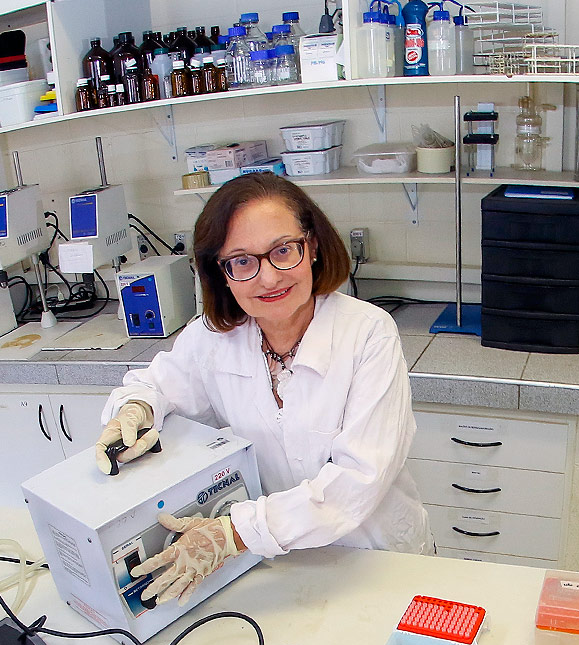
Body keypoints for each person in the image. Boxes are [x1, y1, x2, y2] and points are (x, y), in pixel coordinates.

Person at [96, 173, 430, 605]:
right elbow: (155, 385)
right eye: (242, 261)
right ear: (222, 274)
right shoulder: (213, 338)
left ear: (311, 248)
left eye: (282, 251)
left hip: (375, 562)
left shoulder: (367, 333)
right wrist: (135, 409)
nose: (268, 278)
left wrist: (232, 532)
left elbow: (358, 481)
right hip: (277, 565)